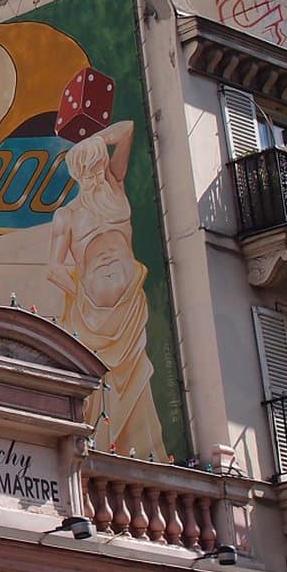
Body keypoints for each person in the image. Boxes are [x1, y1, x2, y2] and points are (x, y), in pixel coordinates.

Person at [47, 119, 167, 458]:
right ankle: (100, 453)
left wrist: (92, 144)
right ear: (77, 177)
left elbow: (129, 128)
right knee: (100, 389)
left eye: (97, 168)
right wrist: (84, 293)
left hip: (128, 310)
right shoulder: (67, 216)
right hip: (92, 318)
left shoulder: (115, 186)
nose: (94, 177)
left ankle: (145, 456)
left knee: (137, 382)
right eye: (87, 173)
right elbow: (53, 268)